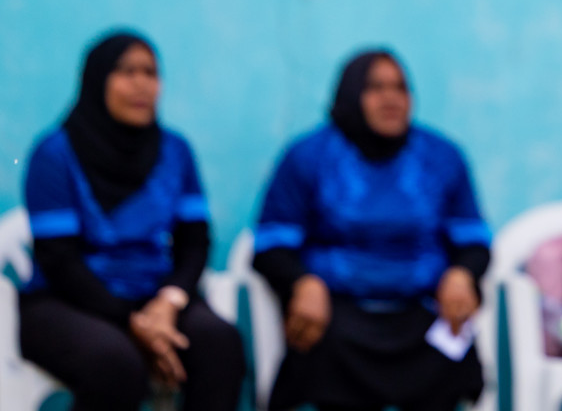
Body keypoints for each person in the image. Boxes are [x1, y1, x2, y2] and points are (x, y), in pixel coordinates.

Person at [252, 49, 492, 411]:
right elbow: (272, 242)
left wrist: (462, 275)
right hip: (337, 313)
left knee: (449, 351)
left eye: (400, 87)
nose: (391, 98)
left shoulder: (441, 156)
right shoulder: (308, 156)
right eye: (375, 88)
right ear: (350, 95)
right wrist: (302, 282)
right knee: (323, 352)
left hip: (420, 311)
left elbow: (473, 239)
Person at [18, 31, 245, 411]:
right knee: (114, 362)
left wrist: (169, 302)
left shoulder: (175, 150)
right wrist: (133, 321)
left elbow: (194, 242)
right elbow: (59, 260)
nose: (142, 84)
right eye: (126, 71)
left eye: (151, 72)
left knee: (219, 344)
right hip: (68, 301)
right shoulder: (55, 153)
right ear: (96, 80)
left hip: (155, 296)